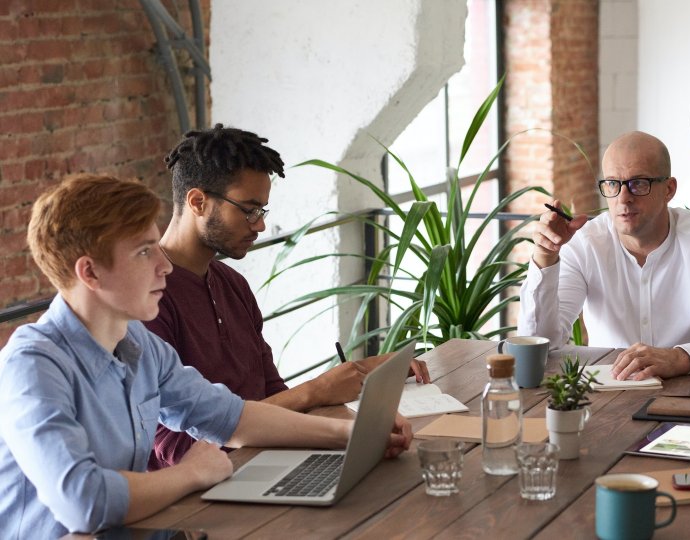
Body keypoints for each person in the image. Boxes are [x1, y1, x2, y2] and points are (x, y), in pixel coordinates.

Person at [0, 174, 413, 539]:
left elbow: (233, 418)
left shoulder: (141, 346)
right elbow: (82, 504)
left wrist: (356, 434)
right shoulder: (32, 366)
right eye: (145, 251)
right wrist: (191, 473)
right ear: (89, 272)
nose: (164, 265)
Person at [147, 124, 428, 469]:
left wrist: (359, 403)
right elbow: (176, 451)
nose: (259, 225)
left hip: (268, 463)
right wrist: (316, 391)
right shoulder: (149, 299)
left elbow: (272, 394)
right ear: (198, 202)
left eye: (261, 211)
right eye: (249, 210)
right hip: (201, 497)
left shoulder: (233, 285)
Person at [519, 131, 690, 380]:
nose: (623, 198)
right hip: (609, 394)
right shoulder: (585, 244)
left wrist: (679, 358)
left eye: (638, 183)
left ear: (669, 189)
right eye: (612, 184)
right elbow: (540, 346)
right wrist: (545, 256)